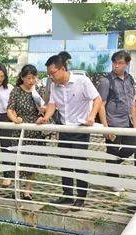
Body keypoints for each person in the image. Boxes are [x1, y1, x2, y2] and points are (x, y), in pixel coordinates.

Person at [38, 54, 102, 209]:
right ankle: (67, 195)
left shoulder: (82, 81)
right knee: (65, 163)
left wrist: (92, 116)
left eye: (53, 73)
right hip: (64, 129)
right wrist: (46, 118)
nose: (51, 77)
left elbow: (97, 99)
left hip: (80, 129)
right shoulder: (54, 86)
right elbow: (52, 104)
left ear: (63, 69)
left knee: (79, 163)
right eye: (49, 74)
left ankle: (81, 197)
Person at [6, 64, 46, 200]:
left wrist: (43, 114)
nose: (31, 81)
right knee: (18, 161)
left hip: (35, 132)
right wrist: (15, 119)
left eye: (33, 78)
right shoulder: (16, 91)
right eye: (28, 78)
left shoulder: (37, 91)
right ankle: (16, 188)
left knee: (33, 162)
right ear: (22, 78)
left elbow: (44, 108)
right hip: (20, 132)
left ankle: (28, 190)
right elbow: (10, 109)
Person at [98, 50, 136, 187]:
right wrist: (105, 127)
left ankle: (111, 166)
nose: (116, 65)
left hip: (128, 121)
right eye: (115, 62)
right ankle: (114, 181)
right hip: (113, 122)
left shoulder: (130, 79)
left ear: (127, 64)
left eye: (120, 63)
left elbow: (133, 102)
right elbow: (100, 105)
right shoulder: (106, 81)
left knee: (132, 146)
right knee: (112, 151)